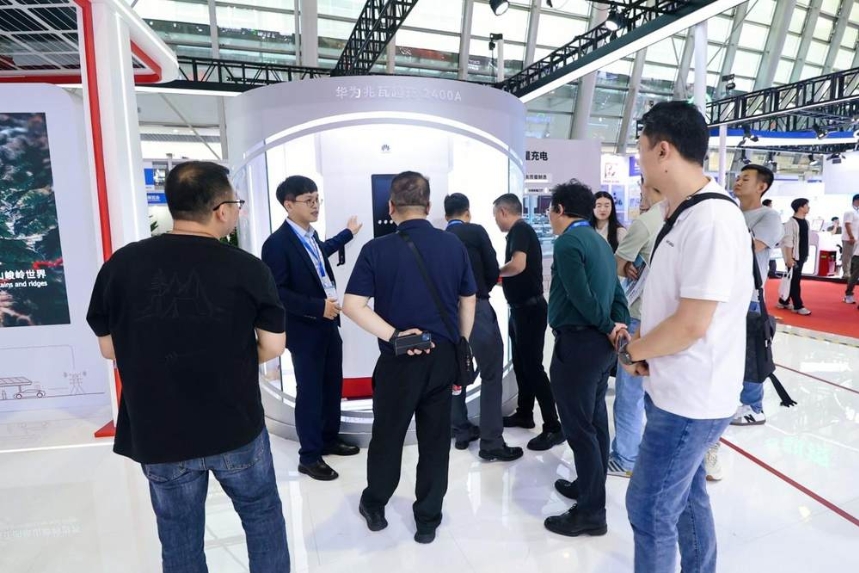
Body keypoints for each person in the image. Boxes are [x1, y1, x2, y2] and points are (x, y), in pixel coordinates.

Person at [86, 161, 290, 572]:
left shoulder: (121, 265)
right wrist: (229, 358)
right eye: (236, 204)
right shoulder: (247, 268)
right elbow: (272, 346)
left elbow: (109, 349)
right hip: (234, 425)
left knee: (178, 532)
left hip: (159, 431)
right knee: (261, 515)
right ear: (221, 210)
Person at [619, 101, 752, 573]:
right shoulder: (683, 213)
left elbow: (692, 323)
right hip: (674, 388)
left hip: (691, 400)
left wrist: (632, 350)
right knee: (687, 499)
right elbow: (672, 304)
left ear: (663, 150)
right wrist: (643, 346)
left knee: (649, 508)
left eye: (640, 148)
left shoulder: (711, 219)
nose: (639, 159)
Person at [343, 171, 476, 545]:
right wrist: (461, 342)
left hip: (398, 361)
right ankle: (428, 518)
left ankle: (375, 505)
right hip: (443, 357)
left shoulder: (376, 249)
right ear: (429, 206)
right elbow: (468, 299)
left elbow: (352, 305)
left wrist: (395, 336)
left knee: (388, 436)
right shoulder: (453, 245)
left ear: (391, 207)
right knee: (436, 439)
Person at [261, 176, 362, 481]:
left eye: (317, 199)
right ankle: (309, 456)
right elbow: (277, 292)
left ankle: (328, 438)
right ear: (288, 204)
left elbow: (321, 254)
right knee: (310, 392)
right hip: (305, 328)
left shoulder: (310, 236)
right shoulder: (277, 244)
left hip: (328, 324)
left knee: (332, 385)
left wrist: (347, 234)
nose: (315, 205)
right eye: (308, 200)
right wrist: (318, 307)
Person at [543, 180, 630, 538]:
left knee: (579, 429)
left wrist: (607, 325)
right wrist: (617, 326)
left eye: (550, 210)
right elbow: (617, 293)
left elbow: (579, 295)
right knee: (595, 423)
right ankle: (588, 487)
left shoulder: (568, 242)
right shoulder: (598, 240)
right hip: (600, 348)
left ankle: (592, 512)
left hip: (579, 344)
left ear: (560, 209)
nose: (549, 216)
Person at [443, 193, 523, 462]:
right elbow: (491, 269)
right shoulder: (475, 231)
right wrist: (481, 291)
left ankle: (460, 430)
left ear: (446, 215)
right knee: (490, 373)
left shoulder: (439, 238)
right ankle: (491, 442)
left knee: (456, 372)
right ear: (467, 212)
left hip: (446, 314)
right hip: (476, 308)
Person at [493, 194, 564, 451]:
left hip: (530, 310)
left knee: (533, 367)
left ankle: (553, 426)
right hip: (520, 309)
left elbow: (518, 265)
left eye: (495, 215)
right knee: (522, 365)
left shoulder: (520, 230)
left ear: (503, 212)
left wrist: (493, 272)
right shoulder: (519, 232)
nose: (496, 221)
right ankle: (524, 412)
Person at [607, 179, 664, 478]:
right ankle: (649, 453)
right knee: (657, 391)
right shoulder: (684, 217)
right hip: (669, 320)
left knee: (630, 391)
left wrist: (625, 267)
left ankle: (626, 456)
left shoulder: (646, 223)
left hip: (638, 316)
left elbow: (616, 266)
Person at [728, 164, 784, 429]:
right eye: (738, 177)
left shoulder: (769, 217)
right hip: (725, 296)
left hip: (748, 297)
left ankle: (754, 407)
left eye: (745, 179)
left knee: (751, 353)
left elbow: (751, 246)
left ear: (762, 187)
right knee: (729, 353)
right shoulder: (731, 213)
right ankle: (732, 400)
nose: (738, 181)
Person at [778, 198, 812, 315]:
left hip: (801, 255)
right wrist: (789, 258)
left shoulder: (806, 222)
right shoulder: (790, 223)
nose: (808, 207)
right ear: (800, 207)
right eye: (806, 205)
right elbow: (788, 241)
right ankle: (798, 306)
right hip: (793, 257)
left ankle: (783, 301)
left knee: (792, 278)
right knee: (794, 281)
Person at [842, 194, 859, 279]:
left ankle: (851, 273)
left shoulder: (856, 211)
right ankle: (846, 273)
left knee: (853, 256)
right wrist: (851, 236)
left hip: (856, 238)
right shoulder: (849, 211)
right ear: (856, 200)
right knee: (847, 256)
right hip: (849, 238)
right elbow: (847, 224)